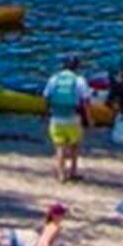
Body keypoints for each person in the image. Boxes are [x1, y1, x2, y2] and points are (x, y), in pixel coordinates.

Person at [41, 55, 92, 183]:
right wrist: (89, 118)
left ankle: (61, 174)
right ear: (76, 67)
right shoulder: (79, 80)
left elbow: (46, 97)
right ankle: (73, 172)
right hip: (73, 118)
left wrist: (45, 114)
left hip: (56, 118)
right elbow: (85, 101)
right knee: (74, 146)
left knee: (59, 147)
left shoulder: (54, 79)